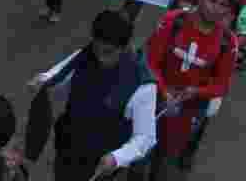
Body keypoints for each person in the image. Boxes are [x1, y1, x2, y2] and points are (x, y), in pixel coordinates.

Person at [25, 10, 157, 181]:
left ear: (124, 47)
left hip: (101, 165)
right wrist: (42, 80)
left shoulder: (142, 85)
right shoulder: (86, 55)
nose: (100, 58)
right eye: (97, 49)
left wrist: (117, 158)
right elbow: (61, 74)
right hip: (68, 149)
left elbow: (146, 137)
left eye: (108, 53)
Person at [145, 0, 238, 178]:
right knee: (138, 156)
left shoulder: (228, 42)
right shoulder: (173, 21)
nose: (216, 8)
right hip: (152, 97)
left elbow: (221, 85)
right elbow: (150, 62)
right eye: (212, 0)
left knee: (164, 163)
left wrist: (195, 92)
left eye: (222, 5)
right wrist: (163, 91)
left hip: (187, 110)